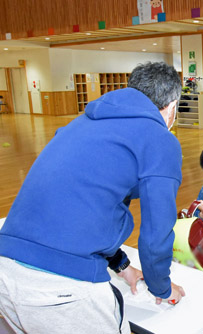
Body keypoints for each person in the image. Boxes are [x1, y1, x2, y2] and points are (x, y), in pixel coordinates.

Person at [0, 62, 186, 334]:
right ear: (172, 106)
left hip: (6, 269)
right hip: (59, 288)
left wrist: (123, 268)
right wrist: (163, 287)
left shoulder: (81, 123)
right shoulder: (158, 139)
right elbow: (156, 231)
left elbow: (85, 207)